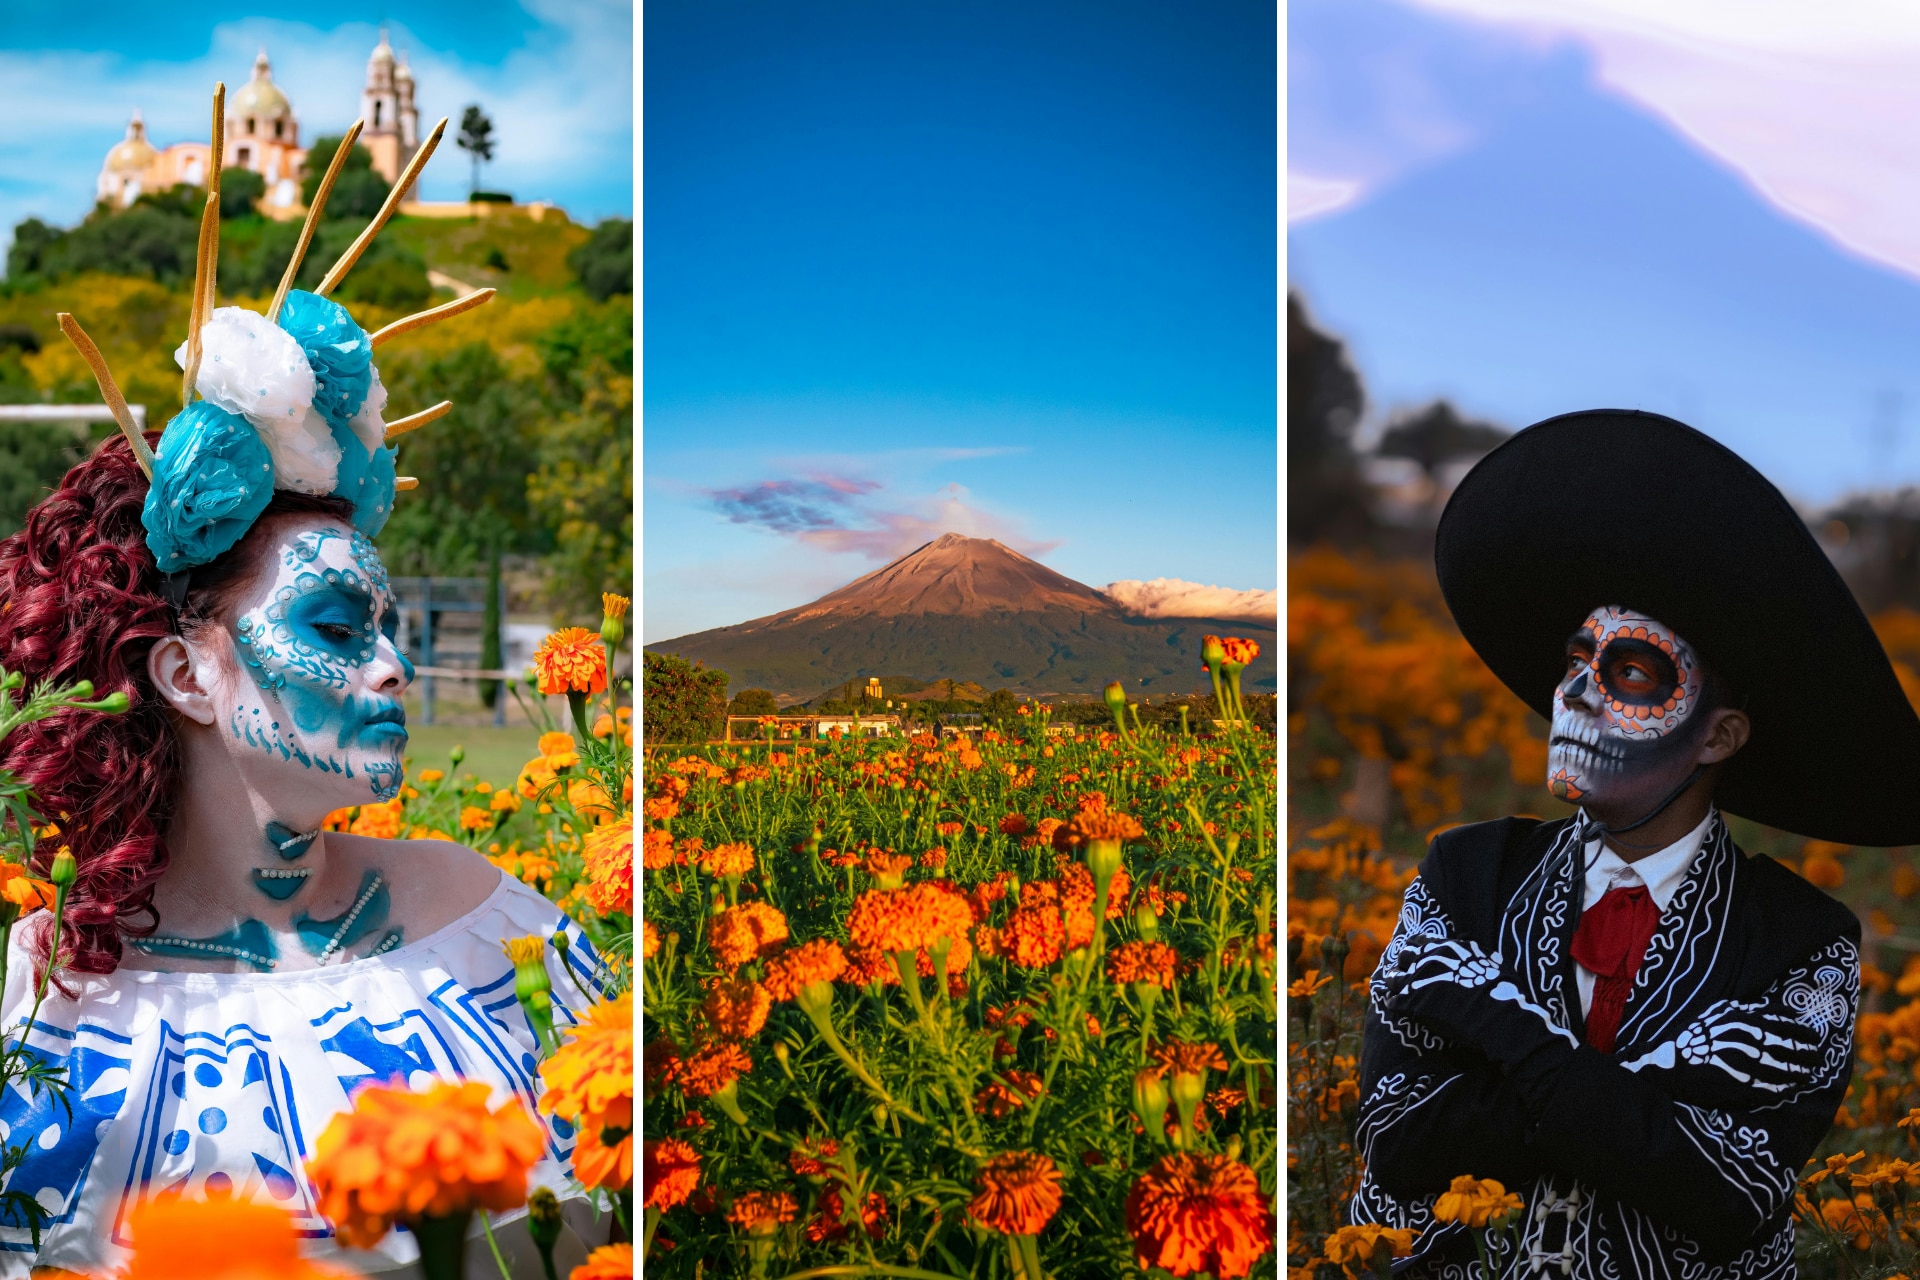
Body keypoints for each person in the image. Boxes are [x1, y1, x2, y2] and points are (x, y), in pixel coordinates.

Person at [0, 92, 611, 1278]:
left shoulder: (503, 931)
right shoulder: (38, 1015)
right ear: (182, 668)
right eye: (338, 622)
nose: (394, 659)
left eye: (388, 619)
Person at [1351, 410, 1920, 1277]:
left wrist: (1493, 1018)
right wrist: (1633, 1115)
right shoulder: (1464, 873)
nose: (1574, 694)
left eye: (1632, 674)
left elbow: (1733, 1193)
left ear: (1719, 737)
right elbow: (1396, 1138)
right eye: (1577, 658)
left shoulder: (1804, 945)